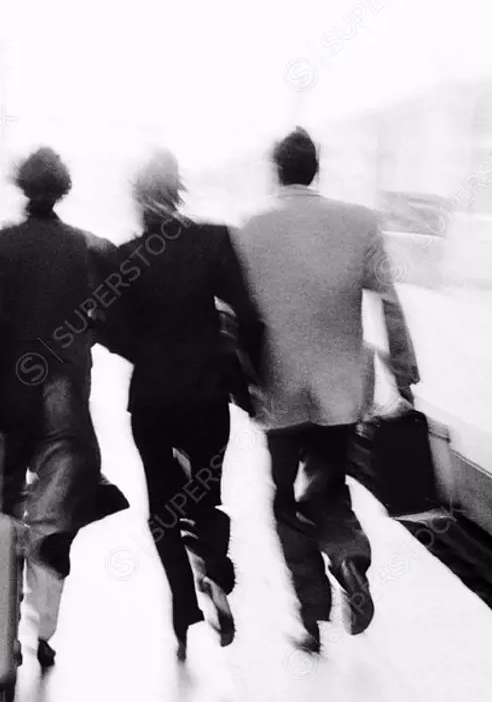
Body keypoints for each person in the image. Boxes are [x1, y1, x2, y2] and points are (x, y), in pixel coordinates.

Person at [236, 127, 420, 655]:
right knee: (330, 486)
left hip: (278, 390)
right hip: (342, 388)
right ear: (315, 169)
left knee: (283, 501)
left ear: (277, 171)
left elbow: (236, 314)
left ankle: (311, 616)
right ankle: (348, 555)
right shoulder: (359, 223)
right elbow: (389, 302)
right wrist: (404, 371)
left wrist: (241, 381)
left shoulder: (251, 229)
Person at [0, 147, 127, 670]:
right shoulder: (88, 248)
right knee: (53, 524)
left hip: (10, 398)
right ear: (63, 189)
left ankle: (3, 636)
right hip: (65, 402)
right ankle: (45, 634)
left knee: (4, 515)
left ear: (22, 187)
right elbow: (104, 321)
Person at [101, 149, 264, 661]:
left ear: (136, 198)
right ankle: (212, 552)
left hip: (151, 398)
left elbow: (107, 328)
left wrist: (145, 352)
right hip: (206, 393)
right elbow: (250, 318)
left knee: (162, 508)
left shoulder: (124, 257)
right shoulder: (214, 241)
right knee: (203, 493)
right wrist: (251, 378)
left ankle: (183, 605)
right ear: (178, 190)